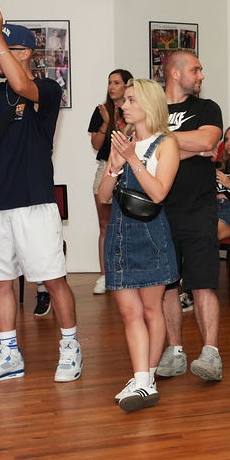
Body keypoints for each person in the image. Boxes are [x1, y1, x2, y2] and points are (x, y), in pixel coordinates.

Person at [0, 6, 81, 385]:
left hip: (34, 203)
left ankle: (70, 346)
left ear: (25, 53)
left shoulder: (48, 90)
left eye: (2, 49)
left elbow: (23, 87)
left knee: (53, 279)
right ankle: (9, 354)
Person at [96, 79, 180, 412]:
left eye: (131, 100)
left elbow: (158, 193)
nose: (124, 105)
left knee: (150, 310)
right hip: (119, 234)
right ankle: (141, 377)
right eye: (125, 100)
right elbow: (103, 197)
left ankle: (146, 380)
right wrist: (114, 167)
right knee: (128, 312)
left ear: (149, 104)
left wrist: (132, 159)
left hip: (150, 235)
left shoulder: (166, 144)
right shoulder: (123, 142)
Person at [154, 50, 225, 383]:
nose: (201, 75)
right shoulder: (151, 108)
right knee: (168, 285)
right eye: (195, 70)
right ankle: (175, 351)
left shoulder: (207, 108)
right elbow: (141, 149)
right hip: (159, 211)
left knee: (202, 283)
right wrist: (190, 148)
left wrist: (161, 140)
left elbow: (208, 139)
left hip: (199, 209)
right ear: (175, 73)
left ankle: (210, 353)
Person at [88, 68, 134, 295]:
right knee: (105, 225)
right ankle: (105, 275)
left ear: (127, 85)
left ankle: (129, 272)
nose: (112, 87)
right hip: (106, 165)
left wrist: (115, 121)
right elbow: (96, 144)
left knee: (129, 224)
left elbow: (128, 138)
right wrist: (106, 122)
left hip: (131, 166)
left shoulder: (134, 109)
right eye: (109, 82)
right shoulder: (101, 110)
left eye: (116, 82)